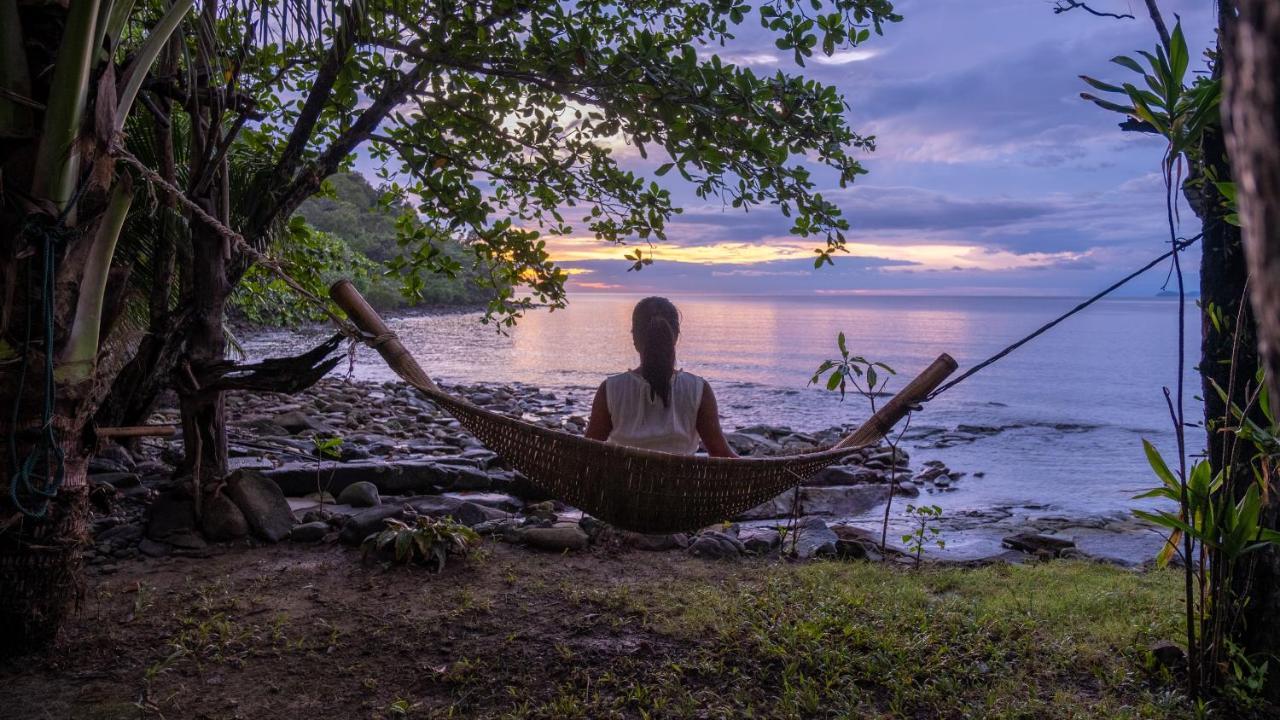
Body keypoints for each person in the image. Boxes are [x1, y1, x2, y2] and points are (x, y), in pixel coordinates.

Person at [584, 297, 737, 457]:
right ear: (675, 337)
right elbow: (722, 454)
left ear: (634, 339)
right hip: (681, 482)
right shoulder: (698, 390)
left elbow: (587, 454)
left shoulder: (611, 390)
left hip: (623, 482)